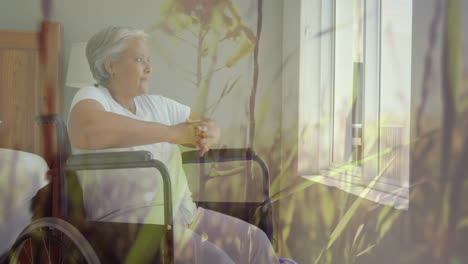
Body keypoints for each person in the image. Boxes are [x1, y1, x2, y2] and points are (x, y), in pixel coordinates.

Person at [68, 26, 279, 264]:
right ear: (110, 65)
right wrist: (171, 133)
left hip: (183, 214)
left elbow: (207, 124)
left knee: (256, 242)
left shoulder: (157, 105)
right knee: (218, 261)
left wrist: (208, 133)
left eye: (148, 60)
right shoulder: (93, 97)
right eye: (139, 60)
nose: (149, 68)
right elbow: (89, 130)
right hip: (128, 224)